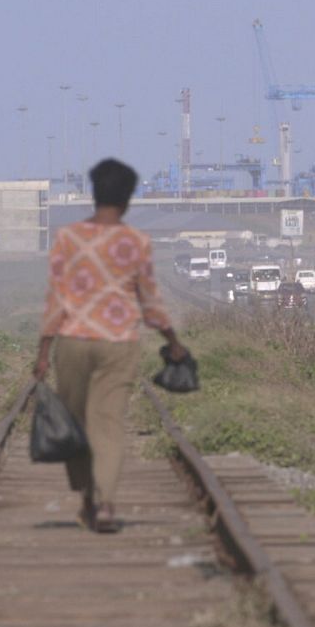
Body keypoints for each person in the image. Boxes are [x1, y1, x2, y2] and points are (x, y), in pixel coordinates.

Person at [33, 159, 188, 534]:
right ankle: (105, 504)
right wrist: (173, 341)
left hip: (72, 342)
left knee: (77, 420)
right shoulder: (137, 242)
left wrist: (42, 351)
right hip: (119, 343)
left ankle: (88, 496)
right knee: (109, 423)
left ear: (95, 192)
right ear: (128, 199)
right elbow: (150, 301)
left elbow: (56, 298)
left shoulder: (68, 238)